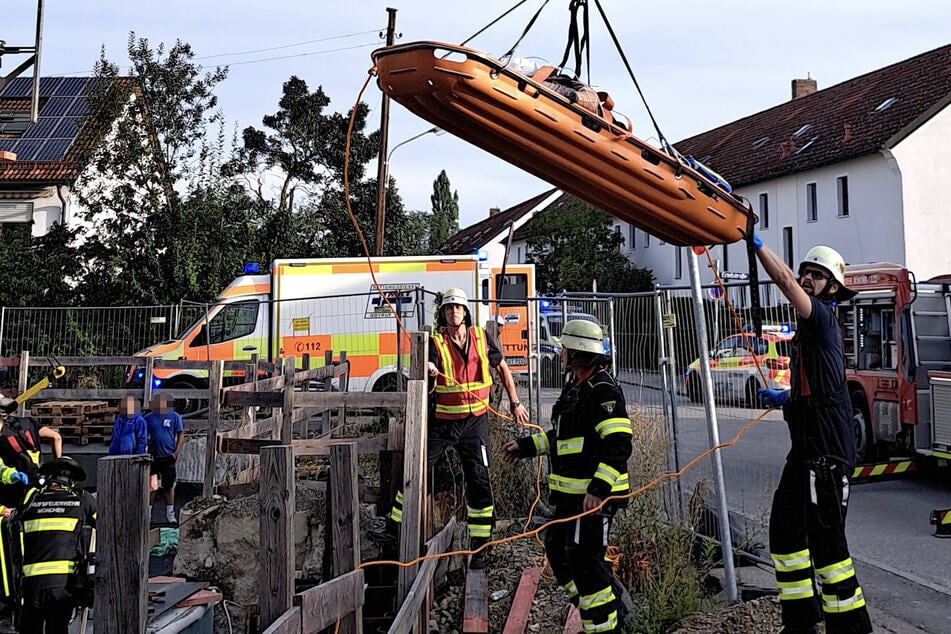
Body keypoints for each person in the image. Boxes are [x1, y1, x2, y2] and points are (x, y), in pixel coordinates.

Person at [753, 238, 872, 634]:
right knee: (785, 536)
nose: (807, 279)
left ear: (832, 288)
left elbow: (785, 281)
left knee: (828, 549)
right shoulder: (806, 332)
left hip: (826, 452)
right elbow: (815, 387)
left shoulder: (820, 317)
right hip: (804, 450)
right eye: (806, 272)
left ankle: (851, 628)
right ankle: (801, 623)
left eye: (817, 276)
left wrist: (758, 247)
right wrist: (784, 397)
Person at [502, 319, 633, 633]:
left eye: (564, 347)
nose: (559, 352)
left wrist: (599, 489)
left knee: (588, 566)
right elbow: (563, 437)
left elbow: (618, 443)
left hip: (594, 499)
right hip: (571, 498)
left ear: (576, 352)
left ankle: (604, 624)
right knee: (559, 550)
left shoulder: (602, 390)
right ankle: (602, 605)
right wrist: (526, 446)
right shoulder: (577, 386)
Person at [388, 288, 529, 570]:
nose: (454, 312)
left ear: (465, 312)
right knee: (418, 471)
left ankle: (480, 547)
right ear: (444, 314)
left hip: (475, 424)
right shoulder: (436, 342)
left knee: (479, 480)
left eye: (458, 308)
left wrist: (514, 403)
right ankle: (394, 530)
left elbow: (502, 369)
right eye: (449, 308)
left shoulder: (481, 337)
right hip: (443, 423)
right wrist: (428, 366)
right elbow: (428, 363)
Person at [16, 456, 96, 634]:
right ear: (72, 480)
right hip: (62, 585)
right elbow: (106, 525)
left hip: (30, 585)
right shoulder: (81, 499)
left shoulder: (31, 499)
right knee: (57, 629)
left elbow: (15, 524)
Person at [145, 393, 184, 524]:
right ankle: (148, 515)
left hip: (168, 456)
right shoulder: (149, 418)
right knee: (152, 486)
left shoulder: (175, 417)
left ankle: (170, 514)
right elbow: (143, 435)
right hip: (153, 457)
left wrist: (176, 453)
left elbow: (180, 434)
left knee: (169, 486)